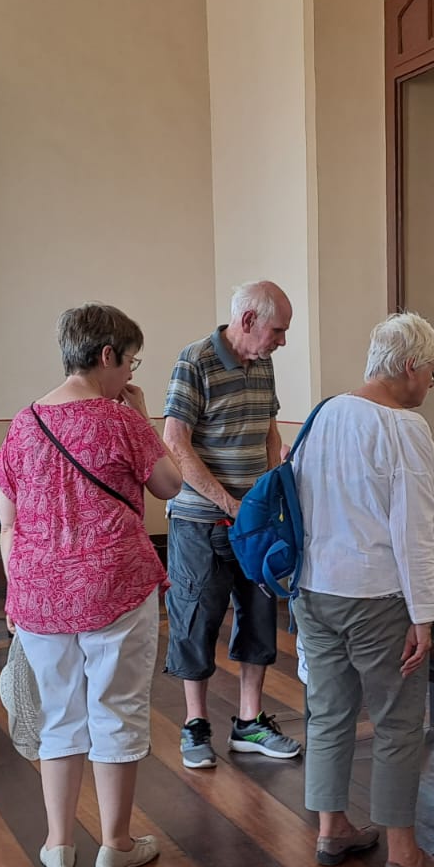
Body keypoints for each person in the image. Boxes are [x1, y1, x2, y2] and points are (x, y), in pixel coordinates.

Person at [0, 303, 183, 867]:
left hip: (40, 595)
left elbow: (8, 518)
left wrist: (17, 591)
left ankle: (57, 845)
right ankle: (116, 844)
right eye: (131, 363)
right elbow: (171, 485)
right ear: (108, 356)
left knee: (58, 715)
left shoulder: (23, 423)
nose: (131, 375)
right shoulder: (122, 421)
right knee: (115, 709)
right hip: (115, 587)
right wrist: (145, 416)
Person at [292, 312, 434, 867]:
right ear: (411, 366)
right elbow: (416, 531)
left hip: (314, 590)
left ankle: (332, 828)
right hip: (377, 597)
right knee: (397, 722)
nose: (430, 384)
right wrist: (424, 616)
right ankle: (405, 854)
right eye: (433, 373)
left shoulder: (322, 415)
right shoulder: (403, 427)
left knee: (329, 712)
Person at [163, 280, 302, 768]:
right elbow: (176, 445)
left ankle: (249, 722)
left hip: (252, 520)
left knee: (259, 617)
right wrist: (228, 502)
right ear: (247, 321)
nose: (281, 341)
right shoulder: (195, 360)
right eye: (277, 330)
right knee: (196, 619)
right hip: (199, 521)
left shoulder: (262, 365)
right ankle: (195, 725)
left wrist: (266, 490)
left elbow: (268, 430)